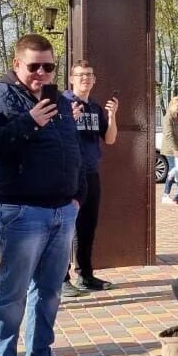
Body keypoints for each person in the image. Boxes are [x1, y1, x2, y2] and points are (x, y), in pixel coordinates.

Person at [0, 34, 88, 356]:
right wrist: (28, 122)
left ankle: (39, 355)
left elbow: (73, 151)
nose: (41, 73)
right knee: (13, 292)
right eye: (33, 66)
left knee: (50, 290)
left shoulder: (59, 101)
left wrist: (77, 196)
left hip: (62, 210)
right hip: (21, 211)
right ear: (16, 64)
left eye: (48, 67)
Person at [62, 60, 120, 296]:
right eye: (80, 75)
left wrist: (112, 115)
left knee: (87, 227)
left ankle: (85, 274)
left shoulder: (95, 107)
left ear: (94, 80)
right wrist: (69, 120)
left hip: (90, 172)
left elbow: (110, 139)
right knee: (65, 227)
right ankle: (61, 278)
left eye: (89, 75)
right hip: (67, 173)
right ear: (71, 79)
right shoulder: (62, 103)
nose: (85, 78)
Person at [161, 95, 178, 204]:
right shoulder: (168, 117)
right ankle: (168, 196)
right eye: (177, 105)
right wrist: (175, 150)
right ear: (172, 105)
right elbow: (168, 135)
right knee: (175, 171)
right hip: (171, 150)